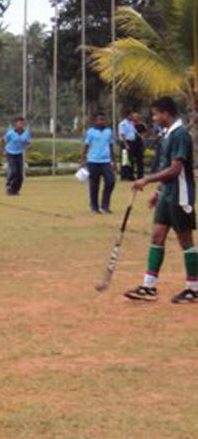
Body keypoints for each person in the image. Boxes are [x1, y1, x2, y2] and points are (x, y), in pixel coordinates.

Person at [124, 96, 198, 304]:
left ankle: (194, 288)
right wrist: (158, 190)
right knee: (157, 237)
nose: (154, 118)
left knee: (186, 242)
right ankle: (149, 287)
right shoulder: (167, 134)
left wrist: (147, 179)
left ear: (166, 113)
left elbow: (175, 169)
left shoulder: (180, 134)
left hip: (180, 195)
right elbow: (166, 166)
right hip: (167, 195)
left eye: (156, 114)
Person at [82, 112, 115, 214]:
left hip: (106, 161)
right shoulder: (91, 132)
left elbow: (111, 145)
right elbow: (86, 145)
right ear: (95, 121)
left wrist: (113, 160)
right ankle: (94, 207)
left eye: (103, 119)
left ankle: (105, 205)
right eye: (99, 119)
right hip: (93, 161)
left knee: (110, 181)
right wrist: (83, 159)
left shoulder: (109, 131)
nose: (101, 121)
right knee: (94, 185)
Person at [3, 117, 31, 195]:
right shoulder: (10, 133)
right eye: (19, 123)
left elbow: (27, 142)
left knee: (20, 174)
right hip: (10, 153)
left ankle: (15, 190)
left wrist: (28, 144)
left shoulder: (26, 133)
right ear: (16, 124)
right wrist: (4, 150)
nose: (20, 125)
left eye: (22, 123)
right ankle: (9, 187)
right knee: (13, 171)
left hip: (19, 153)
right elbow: (4, 140)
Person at [118, 110, 144, 181]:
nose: (132, 117)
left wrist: (140, 137)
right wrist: (126, 144)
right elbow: (122, 135)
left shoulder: (131, 124)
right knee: (124, 160)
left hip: (132, 142)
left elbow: (135, 132)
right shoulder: (123, 124)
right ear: (127, 115)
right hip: (126, 142)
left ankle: (130, 175)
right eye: (131, 115)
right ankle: (124, 176)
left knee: (130, 160)